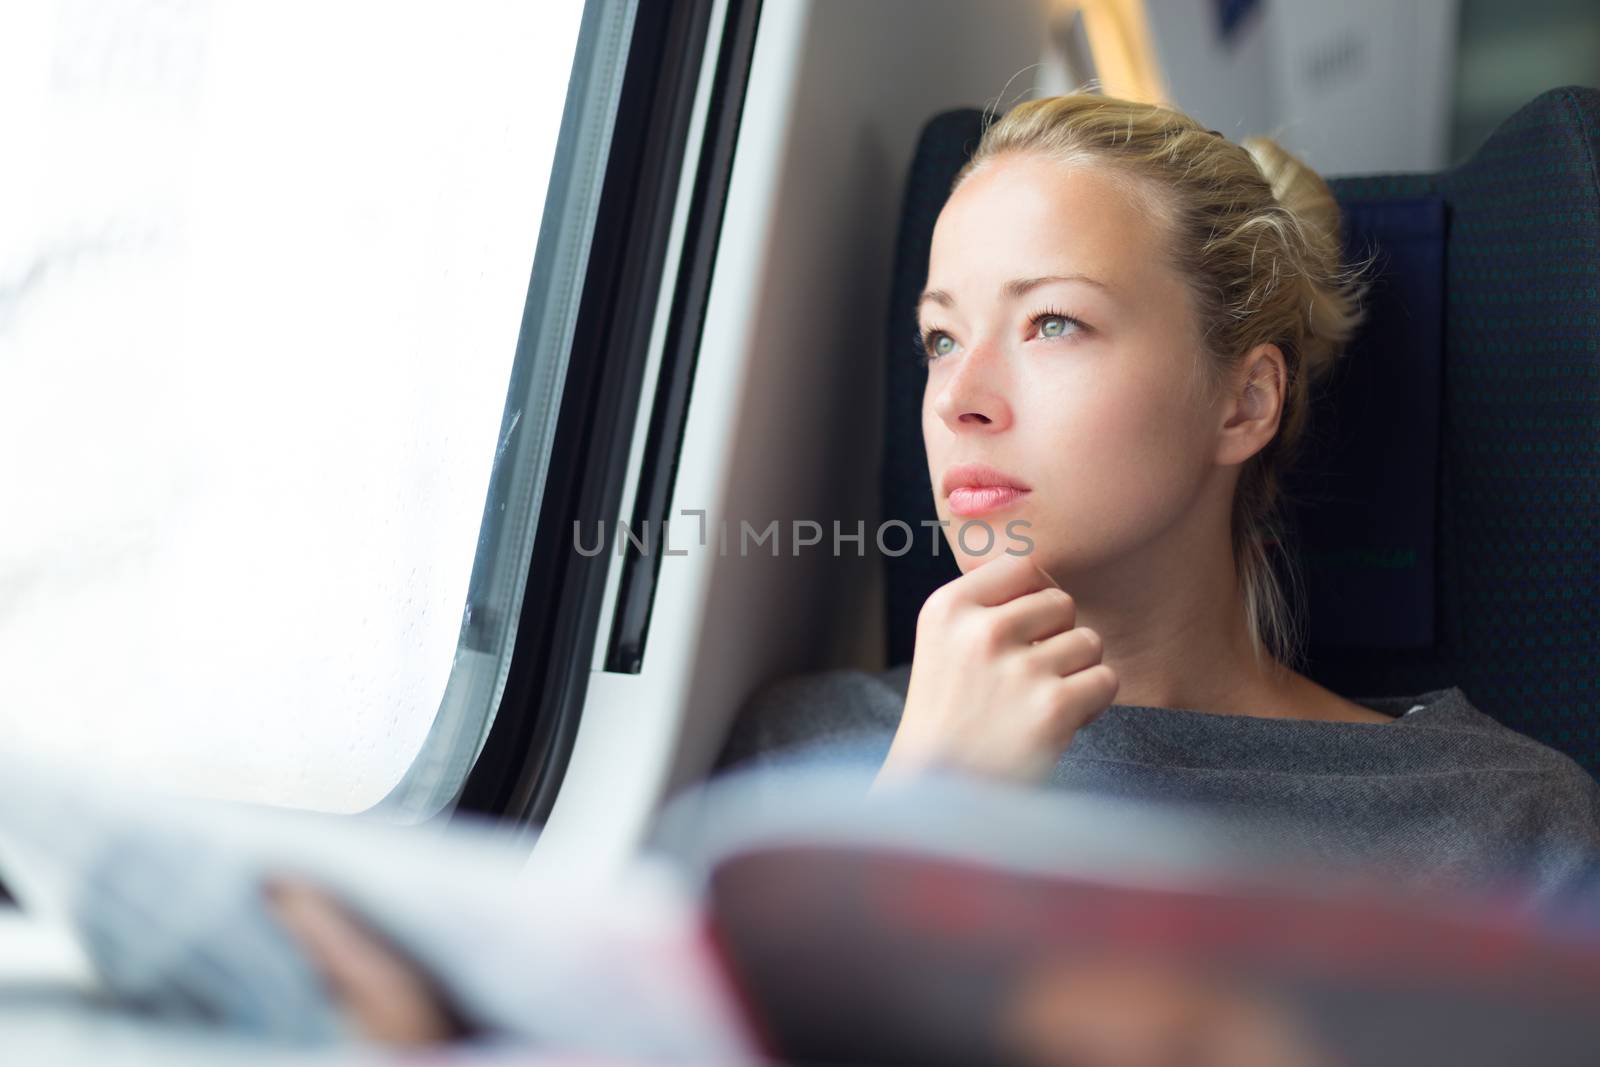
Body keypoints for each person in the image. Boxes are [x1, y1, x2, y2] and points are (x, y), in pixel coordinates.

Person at [716, 91, 1600, 902]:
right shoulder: (800, 754)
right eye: (941, 338)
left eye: (1052, 322)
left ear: (1244, 401)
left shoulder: (1505, 836)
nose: (957, 397)